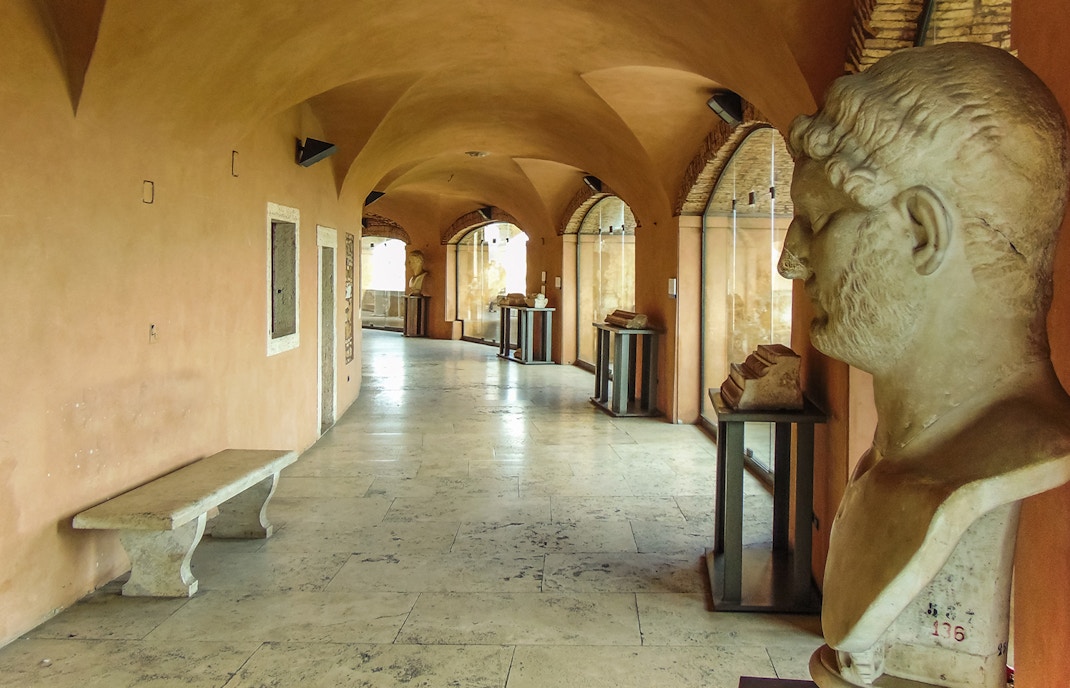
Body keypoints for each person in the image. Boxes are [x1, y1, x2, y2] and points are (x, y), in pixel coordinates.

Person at [778, 42, 1070, 686]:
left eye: (817, 222)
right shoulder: (889, 460)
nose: (790, 262)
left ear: (921, 232)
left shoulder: (997, 466)